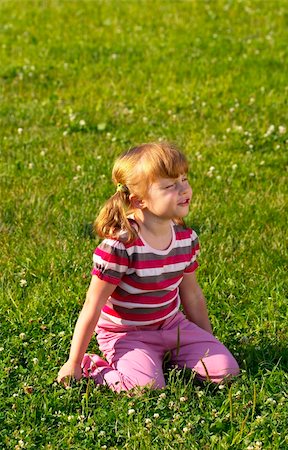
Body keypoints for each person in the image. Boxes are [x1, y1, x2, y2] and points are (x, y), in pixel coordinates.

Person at [57, 142, 239, 392]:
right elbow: (93, 304)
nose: (183, 189)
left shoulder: (185, 239)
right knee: (145, 388)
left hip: (172, 325)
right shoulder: (121, 247)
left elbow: (192, 294)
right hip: (128, 335)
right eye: (169, 186)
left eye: (184, 179)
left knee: (226, 371)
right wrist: (73, 362)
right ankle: (94, 367)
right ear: (139, 201)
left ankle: (165, 358)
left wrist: (209, 339)